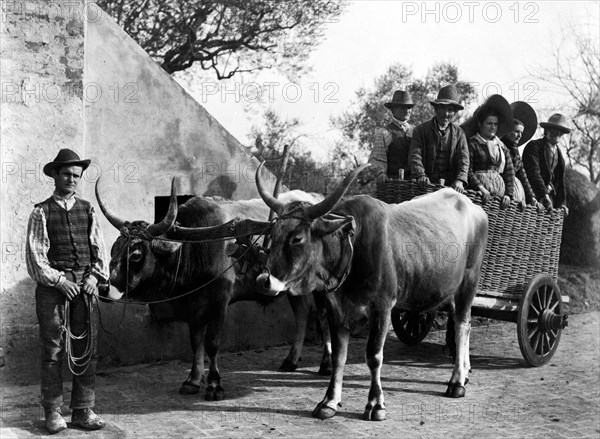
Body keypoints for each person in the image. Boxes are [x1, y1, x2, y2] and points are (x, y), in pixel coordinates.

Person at [26, 149, 108, 434]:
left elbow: (100, 250)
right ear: (55, 176)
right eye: (66, 174)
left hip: (84, 288)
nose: (72, 179)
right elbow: (36, 259)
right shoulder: (41, 212)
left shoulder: (88, 209)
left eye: (76, 175)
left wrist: (95, 278)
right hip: (52, 290)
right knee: (53, 351)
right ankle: (53, 411)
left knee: (87, 348)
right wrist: (61, 281)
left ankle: (84, 409)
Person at [408, 85, 469, 193]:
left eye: (450, 110)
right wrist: (420, 175)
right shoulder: (420, 130)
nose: (446, 114)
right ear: (436, 109)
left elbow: (464, 161)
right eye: (443, 109)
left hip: (449, 190)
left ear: (454, 112)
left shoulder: (459, 134)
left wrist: (460, 180)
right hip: (424, 187)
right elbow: (415, 156)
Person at [464, 95, 516, 209]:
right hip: (477, 195)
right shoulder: (472, 144)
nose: (493, 127)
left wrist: (508, 194)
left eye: (495, 124)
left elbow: (509, 172)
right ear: (480, 124)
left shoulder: (502, 147)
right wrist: (480, 187)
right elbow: (467, 169)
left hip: (499, 199)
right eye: (489, 123)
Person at [523, 113, 570, 214]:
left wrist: (562, 203)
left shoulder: (559, 154)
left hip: (550, 200)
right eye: (554, 129)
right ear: (546, 130)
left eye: (560, 131)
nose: (557, 133)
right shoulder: (534, 146)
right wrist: (543, 195)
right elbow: (533, 172)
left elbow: (560, 181)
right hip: (533, 197)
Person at [368, 90, 415, 183]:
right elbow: (377, 159)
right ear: (393, 110)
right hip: (393, 185)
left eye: (408, 107)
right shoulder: (384, 133)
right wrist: (381, 173)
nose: (406, 111)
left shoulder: (416, 131)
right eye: (402, 107)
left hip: (414, 184)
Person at [500, 101, 538, 207]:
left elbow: (522, 174)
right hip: (502, 189)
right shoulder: (500, 147)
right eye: (516, 132)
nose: (519, 136)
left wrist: (532, 197)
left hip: (514, 192)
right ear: (507, 131)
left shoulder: (515, 151)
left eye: (521, 133)